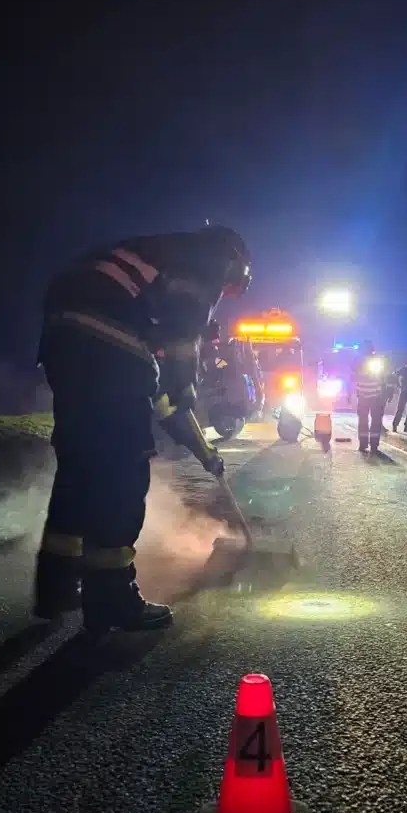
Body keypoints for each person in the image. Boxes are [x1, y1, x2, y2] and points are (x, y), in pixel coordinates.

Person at [33, 225, 251, 633]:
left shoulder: (155, 273)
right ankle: (112, 598)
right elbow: (183, 339)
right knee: (122, 471)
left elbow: (165, 405)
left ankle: (56, 586)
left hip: (64, 336)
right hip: (105, 338)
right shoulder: (210, 256)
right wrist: (185, 378)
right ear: (236, 264)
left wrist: (206, 453)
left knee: (80, 468)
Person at [354, 343, 387, 453]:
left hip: (366, 395)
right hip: (373, 395)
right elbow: (382, 377)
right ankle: (372, 445)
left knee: (365, 421)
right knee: (374, 421)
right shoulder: (361, 361)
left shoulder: (359, 361)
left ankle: (365, 445)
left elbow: (381, 376)